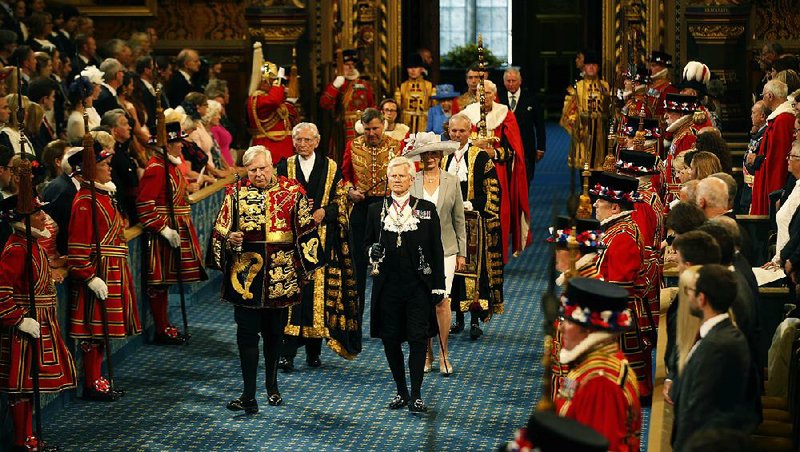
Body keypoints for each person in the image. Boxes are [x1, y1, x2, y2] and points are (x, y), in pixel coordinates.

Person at [210, 145, 322, 412]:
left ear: (272, 166)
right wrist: (229, 239)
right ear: (246, 171)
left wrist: (306, 272)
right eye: (252, 170)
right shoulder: (235, 194)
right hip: (245, 280)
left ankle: (272, 386)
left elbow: (306, 233)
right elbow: (219, 231)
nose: (258, 174)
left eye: (262, 168)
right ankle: (248, 394)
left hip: (280, 277)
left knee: (274, 336)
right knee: (246, 337)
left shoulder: (293, 194)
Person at [275, 123, 361, 370]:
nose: (303, 144)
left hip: (323, 241)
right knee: (293, 296)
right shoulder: (285, 166)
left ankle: (314, 352)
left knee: (317, 297)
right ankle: (287, 353)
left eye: (307, 140)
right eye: (298, 140)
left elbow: (341, 202)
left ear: (317, 141)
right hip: (292, 243)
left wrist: (326, 211)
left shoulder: (331, 167)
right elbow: (277, 200)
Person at [364, 156, 445, 413]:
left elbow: (436, 248)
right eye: (393, 176)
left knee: (418, 338)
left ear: (412, 179)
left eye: (402, 176)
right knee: (390, 340)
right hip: (387, 287)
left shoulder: (427, 208)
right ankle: (401, 391)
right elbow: (364, 244)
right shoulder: (376, 210)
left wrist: (438, 285)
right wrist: (371, 250)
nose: (397, 180)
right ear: (387, 179)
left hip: (418, 286)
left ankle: (417, 394)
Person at [0, 191, 77, 451]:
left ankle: (30, 437)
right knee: (21, 386)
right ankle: (23, 440)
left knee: (28, 384)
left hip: (40, 321)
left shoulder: (31, 245)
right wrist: (18, 320)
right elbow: (1, 290)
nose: (44, 216)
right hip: (22, 328)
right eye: (37, 212)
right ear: (24, 218)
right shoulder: (16, 249)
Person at [67, 142, 141, 401]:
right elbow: (77, 247)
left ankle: (97, 378)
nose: (110, 168)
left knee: (103, 332)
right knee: (93, 331)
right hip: (98, 274)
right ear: (90, 170)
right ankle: (91, 380)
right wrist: (89, 276)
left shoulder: (102, 196)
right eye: (104, 165)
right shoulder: (85, 201)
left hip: (114, 271)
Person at [671, 264, 758, 450]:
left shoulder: (716, 346)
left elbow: (698, 410)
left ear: (702, 299)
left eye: (691, 291)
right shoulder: (720, 335)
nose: (688, 295)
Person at [136, 119, 207, 344]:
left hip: (176, 226)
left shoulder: (170, 166)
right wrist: (163, 229)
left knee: (165, 282)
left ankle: (165, 324)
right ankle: (161, 327)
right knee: (159, 282)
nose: (181, 146)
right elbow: (145, 205)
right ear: (167, 145)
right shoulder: (156, 168)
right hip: (163, 233)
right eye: (177, 142)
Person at [555, 277, 641, 451]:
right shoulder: (594, 362)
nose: (560, 328)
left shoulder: (599, 385)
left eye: (569, 321)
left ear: (590, 329)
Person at [589, 171, 652, 398]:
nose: (595, 203)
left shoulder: (622, 235)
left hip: (618, 317)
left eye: (600, 200)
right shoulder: (616, 229)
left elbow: (618, 288)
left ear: (615, 208)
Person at [406, 132, 463, 376]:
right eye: (425, 154)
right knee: (422, 301)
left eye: (433, 153)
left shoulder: (452, 181)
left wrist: (461, 251)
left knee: (442, 300)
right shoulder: (412, 181)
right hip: (418, 250)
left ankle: (443, 353)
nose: (429, 158)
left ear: (440, 155)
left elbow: (459, 219)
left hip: (447, 249)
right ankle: (426, 352)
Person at [443, 113, 503, 339]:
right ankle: (456, 318)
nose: (457, 135)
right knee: (452, 270)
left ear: (470, 132)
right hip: (448, 222)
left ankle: (475, 320)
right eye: (453, 131)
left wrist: (471, 204)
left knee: (474, 273)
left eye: (461, 131)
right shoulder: (442, 156)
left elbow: (493, 191)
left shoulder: (480, 157)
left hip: (474, 222)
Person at [463, 79, 531, 262]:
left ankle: (497, 254)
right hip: (471, 171)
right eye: (480, 94)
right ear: (476, 95)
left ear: (494, 95)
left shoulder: (505, 115)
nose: (484, 97)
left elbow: (514, 151)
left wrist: (494, 152)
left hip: (498, 171)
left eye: (488, 93)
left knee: (499, 212)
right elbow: (457, 142)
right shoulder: (466, 115)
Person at [341, 108, 402, 305]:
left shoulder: (396, 145)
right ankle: (356, 317)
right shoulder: (353, 145)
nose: (371, 133)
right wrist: (350, 191)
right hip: (362, 207)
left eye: (375, 128)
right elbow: (345, 176)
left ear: (383, 125)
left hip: (389, 206)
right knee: (358, 260)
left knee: (390, 261)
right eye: (367, 129)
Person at [246, 42, 297, 164]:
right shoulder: (257, 99)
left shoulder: (269, 98)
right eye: (272, 81)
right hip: (271, 149)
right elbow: (273, 100)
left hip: (282, 149)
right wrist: (278, 81)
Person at [560, 50, 610, 170]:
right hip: (583, 131)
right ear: (584, 67)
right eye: (588, 65)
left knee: (599, 166)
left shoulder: (605, 86)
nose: (591, 67)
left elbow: (610, 108)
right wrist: (576, 124)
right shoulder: (578, 87)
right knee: (584, 166)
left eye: (594, 65)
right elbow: (568, 111)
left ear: (598, 67)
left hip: (600, 133)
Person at [751, 79, 794, 215]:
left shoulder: (783, 120)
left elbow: (777, 161)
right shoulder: (778, 118)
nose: (762, 98)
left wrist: (757, 160)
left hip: (772, 182)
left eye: (763, 95)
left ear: (770, 96)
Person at [319, 48, 376, 148]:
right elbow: (325, 104)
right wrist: (335, 86)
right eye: (346, 65)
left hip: (364, 125)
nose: (350, 67)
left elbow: (372, 106)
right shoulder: (336, 85)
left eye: (352, 65)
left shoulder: (364, 84)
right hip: (343, 127)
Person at [499, 67, 546, 183]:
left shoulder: (532, 98)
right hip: (504, 147)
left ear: (520, 81)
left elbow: (539, 124)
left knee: (526, 179)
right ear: (504, 82)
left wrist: (541, 147)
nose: (510, 84)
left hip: (527, 148)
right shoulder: (498, 99)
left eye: (513, 81)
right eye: (508, 81)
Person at [394, 53, 434, 134]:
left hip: (424, 123)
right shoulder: (401, 86)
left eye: (415, 67)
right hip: (406, 123)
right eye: (410, 67)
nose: (413, 70)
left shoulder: (430, 86)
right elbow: (397, 107)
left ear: (422, 69)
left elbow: (434, 107)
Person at [741, 100, 770, 213]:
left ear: (762, 116)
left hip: (754, 184)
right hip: (748, 184)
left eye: (753, 112)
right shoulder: (758, 132)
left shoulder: (765, 134)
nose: (751, 116)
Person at [647, 50, 678, 117]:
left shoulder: (669, 89)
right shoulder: (649, 86)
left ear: (664, 67)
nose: (650, 68)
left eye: (654, 65)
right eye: (651, 65)